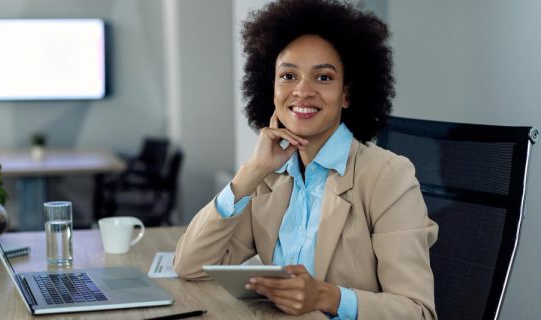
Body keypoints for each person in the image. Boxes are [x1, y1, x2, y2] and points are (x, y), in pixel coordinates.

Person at [174, 0, 438, 319]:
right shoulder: (269, 176)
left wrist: (328, 297)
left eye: (323, 78)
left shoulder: (389, 176)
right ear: (271, 89)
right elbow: (191, 265)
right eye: (288, 76)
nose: (302, 91)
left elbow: (418, 311)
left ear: (347, 94)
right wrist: (251, 172)